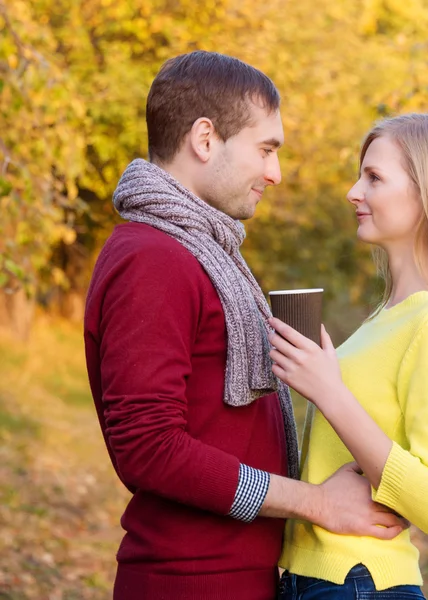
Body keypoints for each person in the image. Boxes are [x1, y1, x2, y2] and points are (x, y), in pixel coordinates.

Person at [84, 51, 407, 600]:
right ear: (205, 139)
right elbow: (149, 446)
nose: (275, 173)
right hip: (189, 581)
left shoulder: (199, 252)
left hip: (233, 576)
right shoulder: (153, 259)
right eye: (266, 149)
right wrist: (314, 501)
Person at [269, 113, 428, 599]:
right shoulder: (387, 317)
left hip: (361, 582)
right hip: (316, 578)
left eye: (374, 178)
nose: (352, 192)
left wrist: (329, 390)